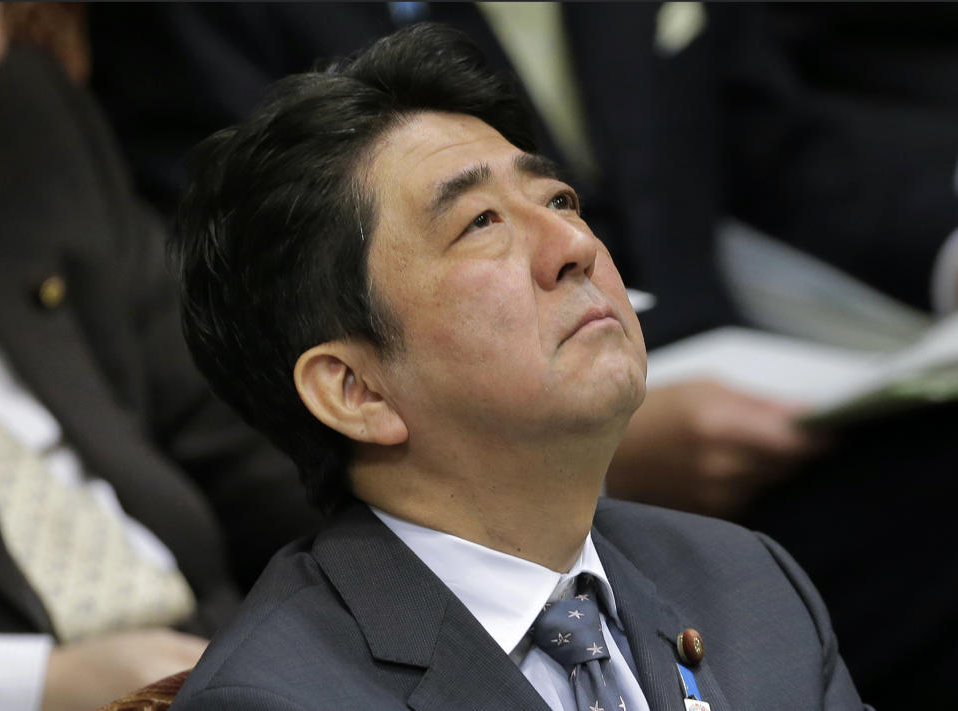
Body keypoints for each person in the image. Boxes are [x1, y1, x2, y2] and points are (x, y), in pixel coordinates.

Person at [167, 24, 868, 710]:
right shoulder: (278, 696)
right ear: (356, 390)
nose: (573, 243)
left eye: (558, 200)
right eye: (480, 223)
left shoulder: (746, 580)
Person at [0, 6, 318, 709]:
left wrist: (447, 520)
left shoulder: (25, 111)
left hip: (221, 649)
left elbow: (233, 430)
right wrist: (36, 683)